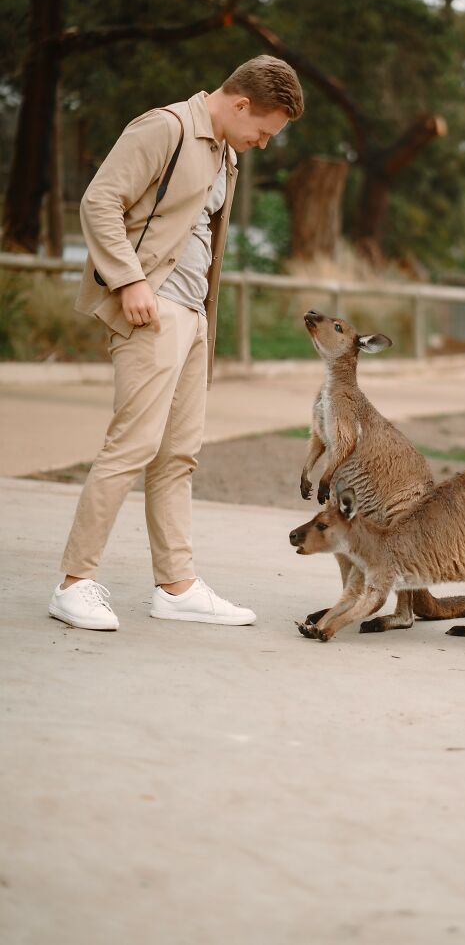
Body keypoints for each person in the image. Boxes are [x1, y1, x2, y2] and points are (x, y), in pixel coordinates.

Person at [49, 55, 304, 631]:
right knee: (131, 446)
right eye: (262, 131)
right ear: (241, 104)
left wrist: (202, 320)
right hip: (151, 310)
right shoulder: (164, 128)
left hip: (193, 317)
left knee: (178, 456)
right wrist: (129, 280)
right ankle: (74, 582)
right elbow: (100, 202)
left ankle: (177, 585)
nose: (262, 143)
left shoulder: (225, 153)